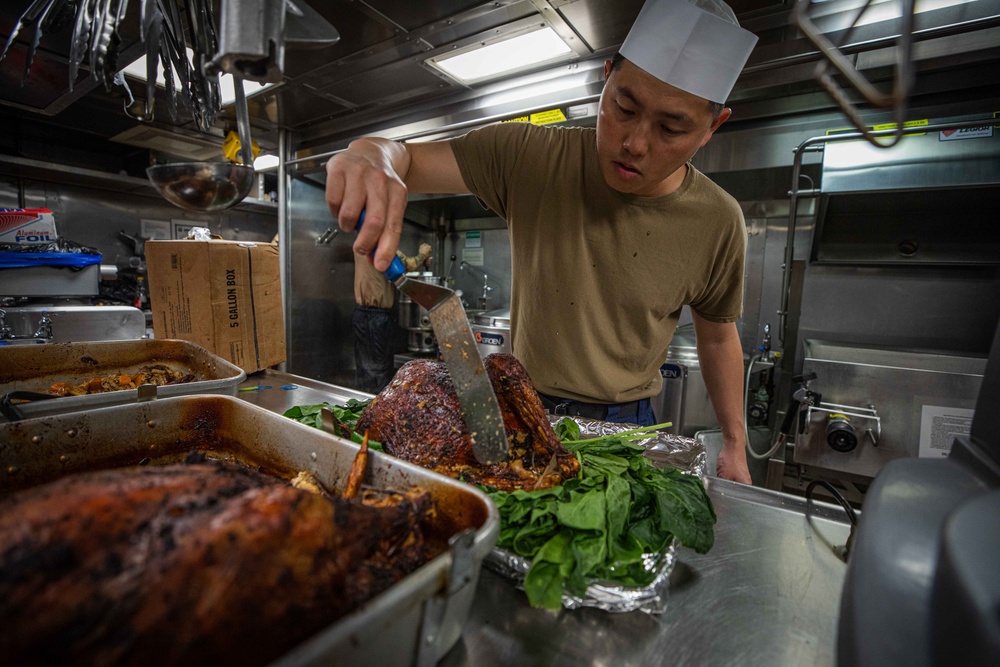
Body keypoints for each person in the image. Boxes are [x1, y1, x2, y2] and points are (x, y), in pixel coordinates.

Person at [326, 0, 758, 484]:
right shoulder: (529, 157)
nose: (635, 142)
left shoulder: (718, 220)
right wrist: (370, 153)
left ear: (711, 128)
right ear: (607, 76)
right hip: (519, 407)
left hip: (626, 428)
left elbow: (718, 335)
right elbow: (403, 158)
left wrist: (736, 445)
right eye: (624, 107)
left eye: (670, 128)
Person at [353, 242, 432, 393]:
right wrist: (423, 253)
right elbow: (410, 265)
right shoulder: (381, 245)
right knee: (380, 371)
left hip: (361, 314)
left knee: (365, 371)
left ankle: (365, 408)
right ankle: (377, 411)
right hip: (376, 317)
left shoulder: (360, 244)